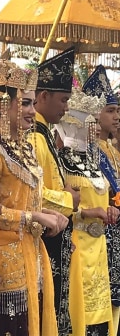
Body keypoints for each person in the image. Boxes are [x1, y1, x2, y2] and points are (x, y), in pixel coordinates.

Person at [0, 57, 64, 336]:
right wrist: (33, 216)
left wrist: (50, 214)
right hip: (5, 264)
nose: (32, 110)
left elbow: (31, 202)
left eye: (32, 103)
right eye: (25, 103)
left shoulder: (28, 150)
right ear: (4, 105)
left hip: (33, 257)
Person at [55, 85, 119, 336]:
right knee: (78, 316)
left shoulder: (94, 160)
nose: (93, 127)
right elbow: (59, 203)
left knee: (101, 318)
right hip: (77, 246)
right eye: (88, 121)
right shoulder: (63, 160)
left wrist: (109, 211)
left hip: (99, 248)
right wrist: (87, 213)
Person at [30, 47, 84, 336]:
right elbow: (34, 195)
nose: (65, 107)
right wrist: (69, 199)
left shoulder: (45, 136)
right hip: (45, 237)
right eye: (63, 100)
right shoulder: (36, 139)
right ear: (43, 97)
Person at [83, 65, 120, 334]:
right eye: (110, 111)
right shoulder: (90, 152)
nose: (116, 116)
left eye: (117, 110)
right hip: (101, 234)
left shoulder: (110, 148)